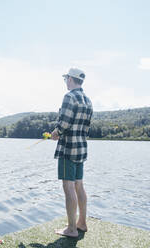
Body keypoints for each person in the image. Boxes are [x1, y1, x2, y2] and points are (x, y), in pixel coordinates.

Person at [51, 68, 93, 238]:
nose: (65, 82)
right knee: (79, 185)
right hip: (81, 148)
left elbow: (65, 123)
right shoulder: (88, 100)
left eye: (66, 79)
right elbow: (86, 126)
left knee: (68, 187)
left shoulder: (69, 97)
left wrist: (56, 132)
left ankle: (71, 229)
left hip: (68, 149)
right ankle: (81, 223)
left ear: (70, 79)